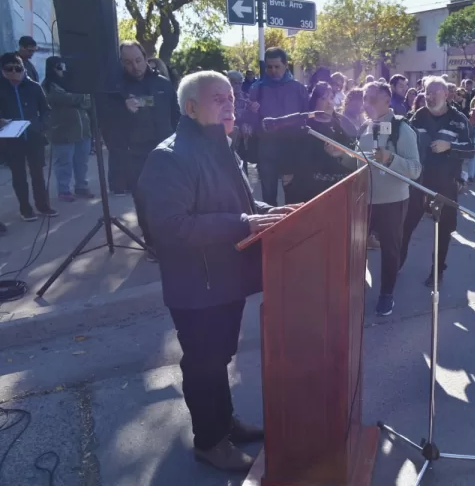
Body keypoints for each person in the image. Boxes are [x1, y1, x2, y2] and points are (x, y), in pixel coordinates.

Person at [138, 70, 297, 472]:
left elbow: (238, 203)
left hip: (227, 280)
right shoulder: (169, 157)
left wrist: (271, 214)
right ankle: (209, 441)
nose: (230, 103)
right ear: (191, 108)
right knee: (203, 364)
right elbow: (171, 228)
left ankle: (224, 423)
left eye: (231, 96)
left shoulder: (222, 147)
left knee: (219, 358)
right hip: (197, 287)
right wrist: (244, 222)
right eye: (218, 98)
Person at [345, 81, 421, 316]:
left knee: (390, 250)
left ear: (387, 100)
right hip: (364, 200)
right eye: (364, 99)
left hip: (393, 201)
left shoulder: (402, 130)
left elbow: (415, 169)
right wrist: (342, 156)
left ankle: (387, 295)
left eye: (372, 99)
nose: (366, 104)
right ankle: (352, 293)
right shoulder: (365, 128)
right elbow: (360, 161)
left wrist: (391, 159)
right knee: (355, 248)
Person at [100, 41, 179, 259]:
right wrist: (123, 111)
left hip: (167, 152)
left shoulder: (163, 83)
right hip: (135, 155)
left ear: (145, 58)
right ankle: (152, 243)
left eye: (138, 60)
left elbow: (176, 115)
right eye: (128, 62)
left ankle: (172, 239)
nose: (135, 66)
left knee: (171, 198)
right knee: (144, 200)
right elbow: (105, 123)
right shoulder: (116, 90)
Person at [401, 76, 473, 286]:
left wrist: (450, 147)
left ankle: (437, 270)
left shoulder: (459, 119)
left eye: (435, 92)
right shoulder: (416, 117)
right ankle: (397, 263)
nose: (430, 97)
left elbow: (471, 149)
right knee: (406, 226)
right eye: (427, 92)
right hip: (418, 181)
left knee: (442, 230)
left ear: (446, 94)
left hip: (445, 183)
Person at [266, 82, 357, 204]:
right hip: (308, 189)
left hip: (337, 187)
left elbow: (353, 150)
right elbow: (288, 150)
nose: (329, 102)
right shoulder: (303, 124)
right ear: (315, 102)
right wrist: (287, 174)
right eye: (323, 98)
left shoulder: (341, 123)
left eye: (331, 97)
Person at [245, 47, 308, 206]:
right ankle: (272, 228)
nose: (273, 70)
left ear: (286, 65)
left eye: (276, 66)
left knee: (293, 196)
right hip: (267, 149)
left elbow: (306, 117)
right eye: (269, 67)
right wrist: (251, 114)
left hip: (292, 148)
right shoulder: (256, 88)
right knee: (269, 197)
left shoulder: (298, 88)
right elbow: (250, 122)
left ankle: (293, 228)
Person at [0, 52, 56, 221]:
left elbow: (46, 110)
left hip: (34, 138)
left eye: (18, 68)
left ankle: (43, 205)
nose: (15, 72)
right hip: (11, 140)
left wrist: (41, 126)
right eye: (9, 69)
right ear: (2, 70)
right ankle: (26, 209)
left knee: (38, 174)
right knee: (19, 177)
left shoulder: (34, 87)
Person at [42, 56, 94, 201]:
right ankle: (64, 190)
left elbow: (89, 101)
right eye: (59, 67)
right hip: (62, 131)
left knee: (81, 161)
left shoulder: (72, 83)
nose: (62, 70)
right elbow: (62, 99)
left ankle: (81, 186)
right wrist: (80, 98)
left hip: (82, 130)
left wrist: (79, 98)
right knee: (64, 163)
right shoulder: (48, 86)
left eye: (63, 66)